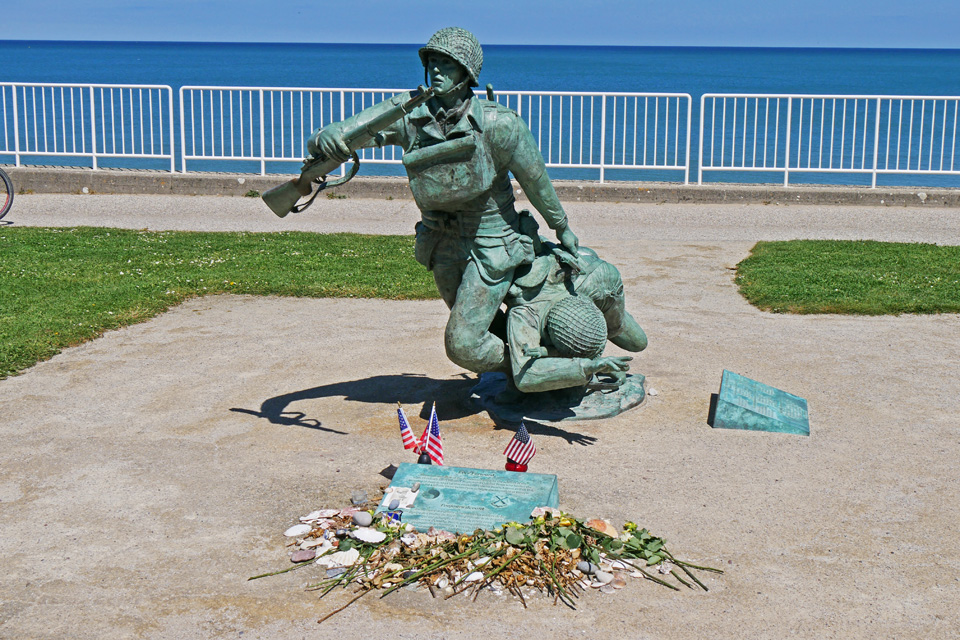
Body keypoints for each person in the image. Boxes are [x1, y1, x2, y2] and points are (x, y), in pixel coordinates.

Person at [309, 27, 580, 375]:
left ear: (467, 73)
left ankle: (550, 372)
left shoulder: (500, 124)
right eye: (432, 62)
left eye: (447, 64)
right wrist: (327, 137)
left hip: (492, 246)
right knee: (480, 330)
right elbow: (346, 133)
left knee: (463, 344)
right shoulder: (409, 117)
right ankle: (532, 373)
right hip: (441, 245)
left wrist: (562, 227)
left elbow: (536, 182)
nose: (436, 70)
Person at [503, 212, 647, 394]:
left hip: (597, 290)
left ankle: (599, 332)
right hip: (593, 297)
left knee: (638, 342)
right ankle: (590, 346)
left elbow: (533, 230)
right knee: (637, 343)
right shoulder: (525, 313)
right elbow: (526, 377)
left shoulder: (592, 276)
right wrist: (590, 366)